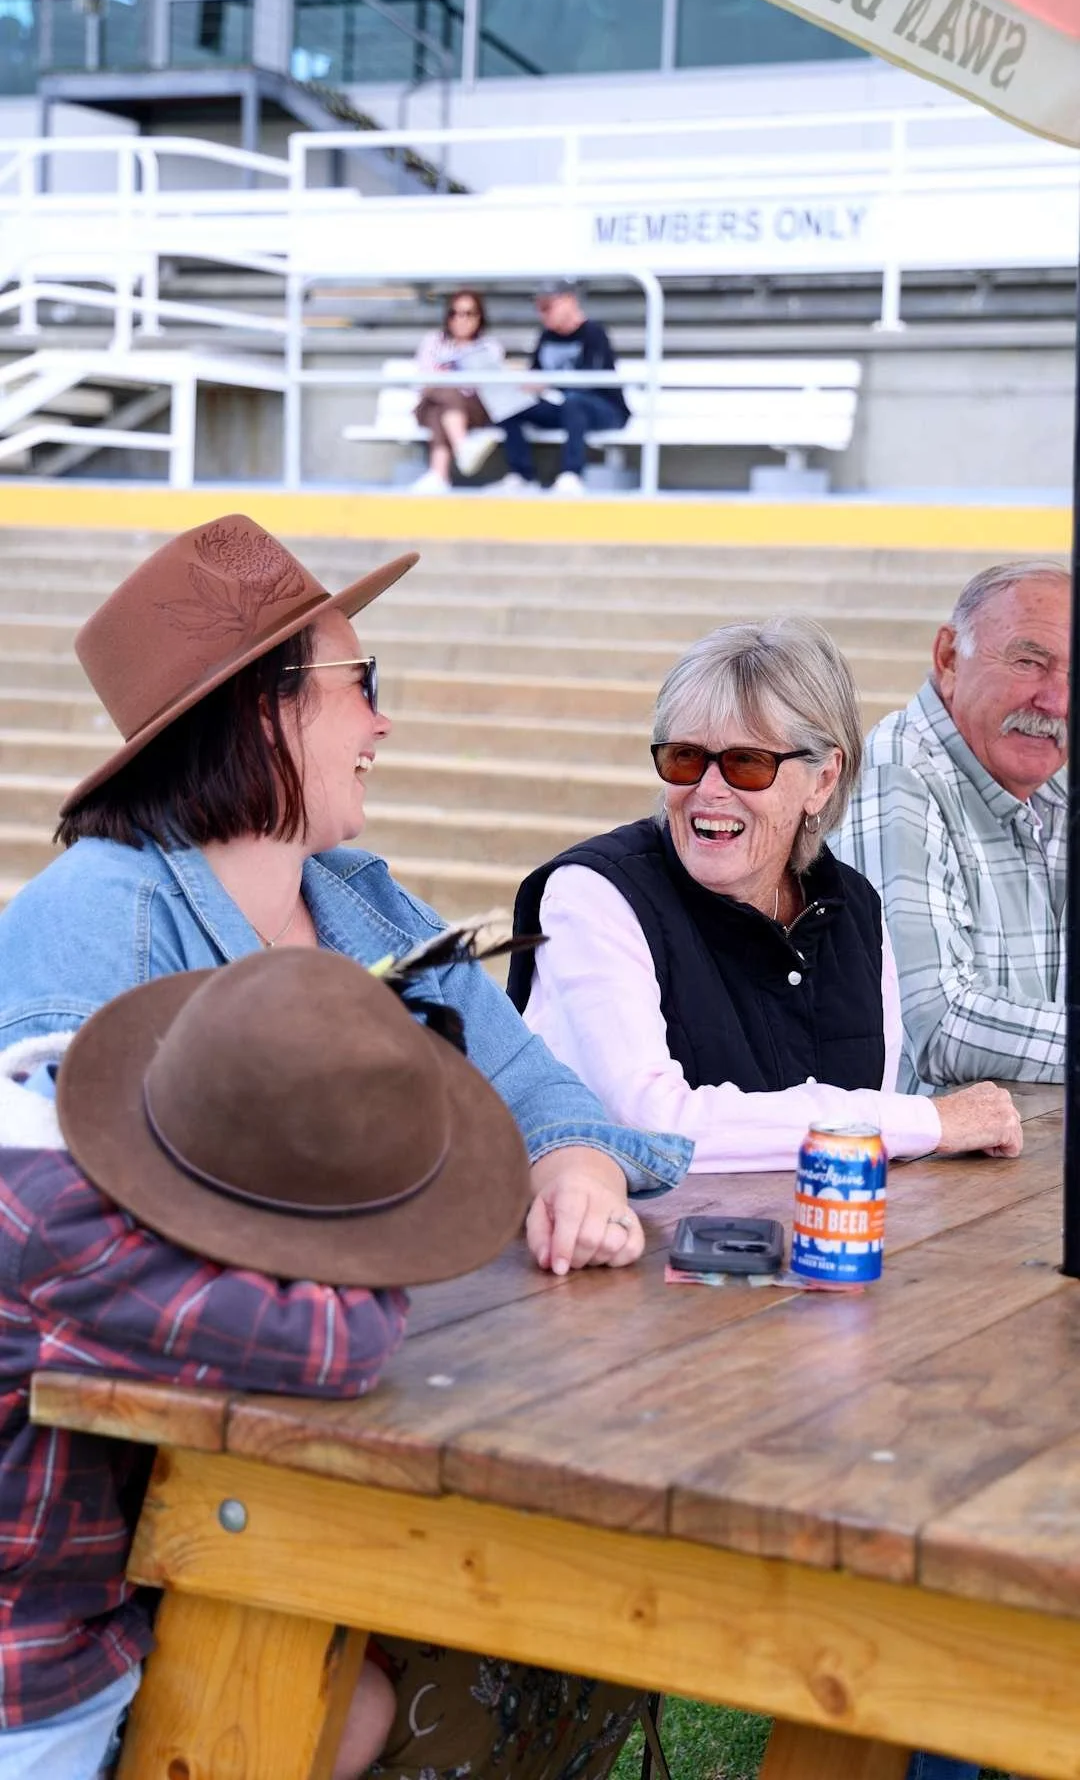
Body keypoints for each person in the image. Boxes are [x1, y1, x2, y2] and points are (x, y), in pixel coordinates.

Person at [0, 513, 677, 1780]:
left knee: (480, 1629)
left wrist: (575, 1167)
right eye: (362, 684)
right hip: (116, 1529)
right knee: (389, 1667)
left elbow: (552, 1098)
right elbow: (86, 1265)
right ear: (266, 713)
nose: (382, 721)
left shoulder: (361, 896)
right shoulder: (91, 919)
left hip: (343, 1423)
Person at [0, 944, 530, 1779]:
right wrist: (359, 1230)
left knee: (347, 1701)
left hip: (65, 1609)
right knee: (306, 1703)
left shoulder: (37, 1143)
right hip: (29, 1682)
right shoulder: (61, 1227)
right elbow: (334, 1344)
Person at [509, 617, 1021, 1171]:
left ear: (823, 780)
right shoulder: (591, 896)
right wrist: (926, 1121)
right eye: (684, 757)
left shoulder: (855, 907)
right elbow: (653, 1127)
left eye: (746, 763)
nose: (707, 791)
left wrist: (891, 1124)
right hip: (633, 1248)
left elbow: (870, 1116)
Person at [833, 560, 1069, 1092]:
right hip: (924, 1169)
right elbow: (938, 1028)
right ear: (948, 658)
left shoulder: (1051, 790)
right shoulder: (895, 777)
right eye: (1030, 661)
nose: (1057, 701)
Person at [499, 279, 629, 499]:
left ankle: (571, 473)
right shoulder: (546, 336)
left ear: (569, 301)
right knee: (509, 406)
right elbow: (536, 373)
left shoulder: (594, 333)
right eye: (539, 308)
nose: (542, 313)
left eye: (547, 306)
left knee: (575, 402)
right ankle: (522, 475)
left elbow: (592, 381)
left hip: (603, 408)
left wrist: (548, 383)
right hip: (561, 407)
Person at [410, 289, 506, 494]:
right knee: (445, 397)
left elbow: (489, 387)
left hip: (474, 409)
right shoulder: (433, 341)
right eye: (455, 313)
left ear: (479, 317)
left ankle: (439, 475)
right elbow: (422, 381)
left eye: (468, 313)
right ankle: (463, 447)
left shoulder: (489, 347)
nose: (461, 319)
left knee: (443, 410)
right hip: (430, 401)